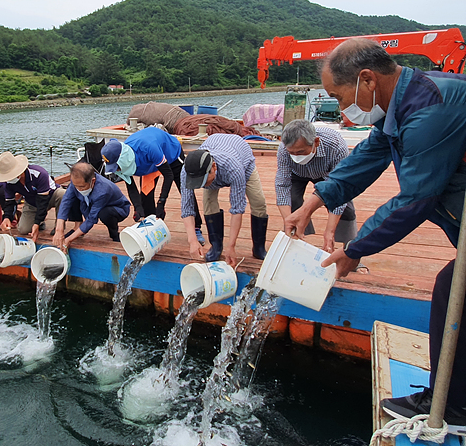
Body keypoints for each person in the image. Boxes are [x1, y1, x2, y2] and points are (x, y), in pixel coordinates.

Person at [284, 38, 466, 430]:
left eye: (338, 95)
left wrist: (357, 248)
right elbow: (368, 156)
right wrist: (314, 202)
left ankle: (452, 405)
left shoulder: (429, 109)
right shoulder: (401, 104)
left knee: (454, 289)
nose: (342, 108)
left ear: (366, 79)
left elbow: (416, 196)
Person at [100, 129, 205, 244]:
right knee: (145, 196)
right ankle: (152, 228)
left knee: (185, 191)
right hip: (149, 163)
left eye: (117, 167)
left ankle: (196, 227)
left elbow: (168, 175)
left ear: (123, 158)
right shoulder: (123, 162)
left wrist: (161, 202)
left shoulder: (148, 148)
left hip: (171, 155)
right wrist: (137, 208)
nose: (117, 170)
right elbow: (131, 187)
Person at [180, 133, 269, 267]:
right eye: (198, 183)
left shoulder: (234, 168)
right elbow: (187, 206)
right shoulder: (187, 170)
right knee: (209, 203)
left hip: (243, 162)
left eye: (203, 181)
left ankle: (259, 248)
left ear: (213, 167)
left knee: (258, 202)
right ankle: (216, 246)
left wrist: (231, 246)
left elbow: (237, 208)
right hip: (216, 153)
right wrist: (192, 240)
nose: (202, 185)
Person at [276, 119, 357, 253]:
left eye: (301, 152)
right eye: (292, 153)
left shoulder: (336, 145)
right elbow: (282, 185)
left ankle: (351, 252)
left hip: (327, 173)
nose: (296, 156)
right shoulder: (284, 149)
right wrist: (288, 222)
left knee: (346, 208)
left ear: (316, 142)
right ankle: (298, 241)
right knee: (293, 200)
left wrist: (329, 232)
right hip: (298, 173)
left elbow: (341, 186)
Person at [53, 162, 130, 249]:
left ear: (92, 181)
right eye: (76, 186)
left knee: (104, 213)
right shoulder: (76, 182)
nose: (79, 189)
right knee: (70, 197)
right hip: (89, 201)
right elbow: (66, 201)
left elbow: (91, 219)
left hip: (117, 208)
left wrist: (68, 240)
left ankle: (114, 234)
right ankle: (78, 227)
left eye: (82, 187)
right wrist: (59, 229)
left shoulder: (103, 191)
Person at [0, 151, 65, 242]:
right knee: (23, 229)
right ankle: (41, 223)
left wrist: (36, 223)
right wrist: (7, 218)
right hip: (32, 202)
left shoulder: (39, 174)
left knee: (62, 194)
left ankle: (59, 225)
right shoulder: (8, 183)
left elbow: (42, 201)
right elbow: (9, 202)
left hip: (50, 196)